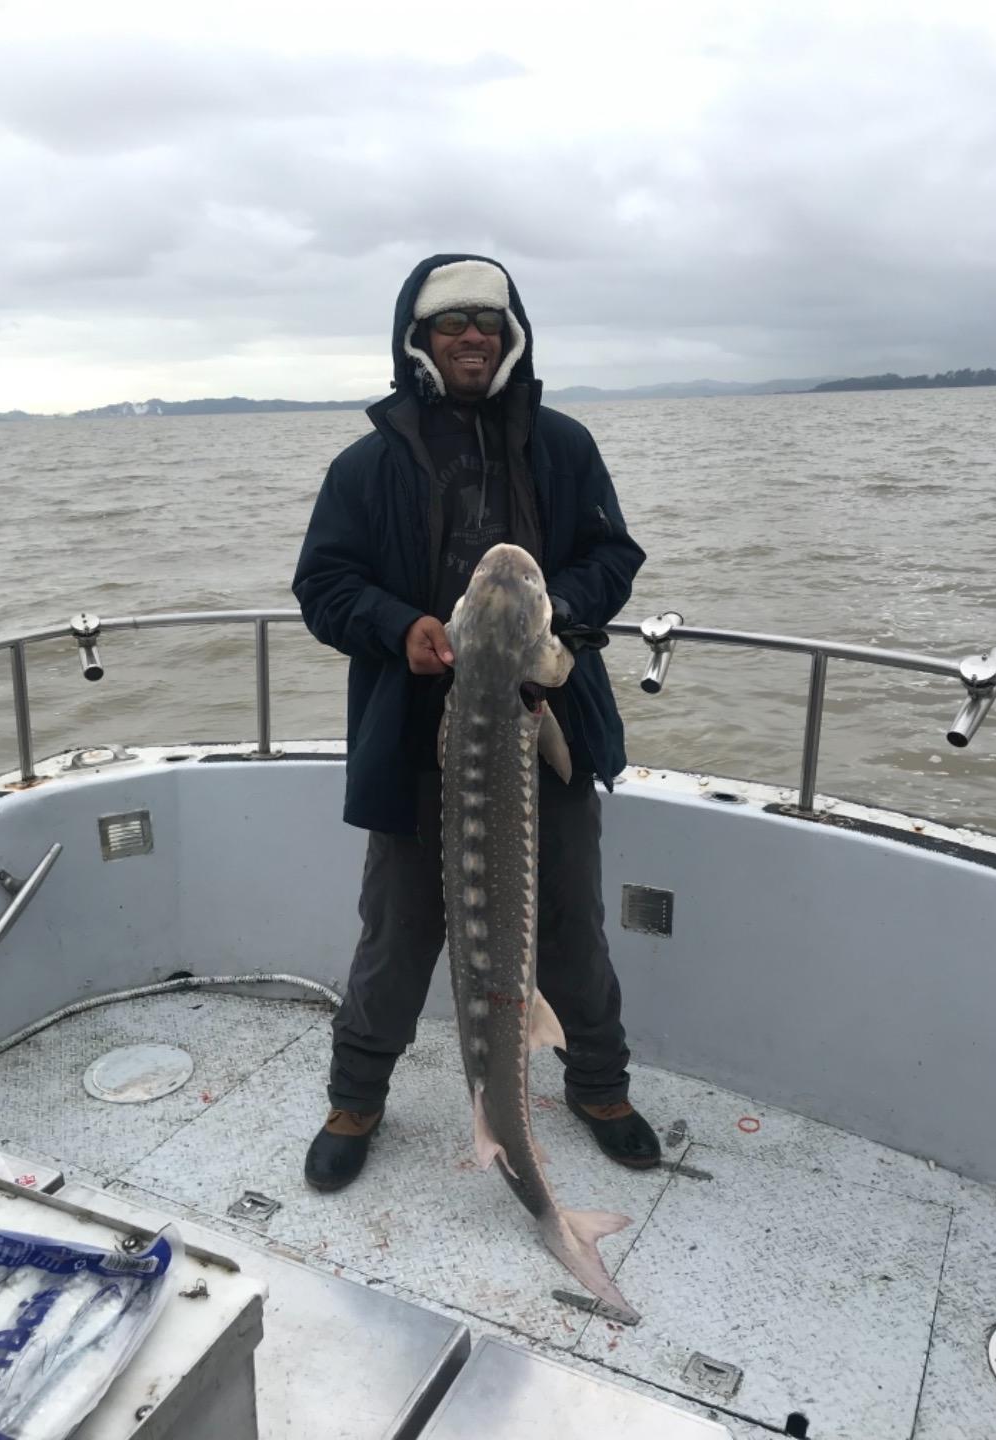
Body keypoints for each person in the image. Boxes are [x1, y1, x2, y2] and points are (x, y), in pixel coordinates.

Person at [292, 253, 660, 1191]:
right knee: (396, 932)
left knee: (570, 919)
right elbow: (324, 588)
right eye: (451, 324)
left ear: (510, 337)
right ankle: (357, 1096)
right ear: (419, 339)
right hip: (420, 741)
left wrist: (551, 619)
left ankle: (599, 1085)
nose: (470, 338)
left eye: (486, 325)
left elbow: (612, 558)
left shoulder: (564, 447)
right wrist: (399, 629)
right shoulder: (367, 464)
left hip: (552, 717)